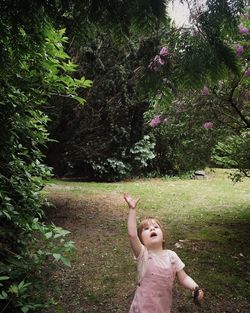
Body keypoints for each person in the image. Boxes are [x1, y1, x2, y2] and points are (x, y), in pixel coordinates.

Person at [124, 192, 204, 313]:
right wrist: (132, 210)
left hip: (162, 308)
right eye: (146, 229)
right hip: (141, 309)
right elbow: (132, 235)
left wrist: (195, 287)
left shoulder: (172, 256)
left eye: (156, 227)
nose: (152, 229)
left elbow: (183, 277)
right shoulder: (143, 254)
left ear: (163, 238)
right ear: (142, 241)